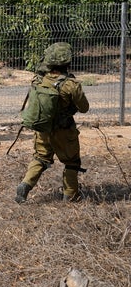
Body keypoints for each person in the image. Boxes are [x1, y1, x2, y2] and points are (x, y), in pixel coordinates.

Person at [15, 42, 89, 203]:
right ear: (67, 62)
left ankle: (25, 184)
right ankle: (70, 195)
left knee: (40, 158)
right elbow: (84, 107)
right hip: (64, 130)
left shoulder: (38, 80)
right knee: (71, 162)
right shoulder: (71, 84)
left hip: (42, 128)